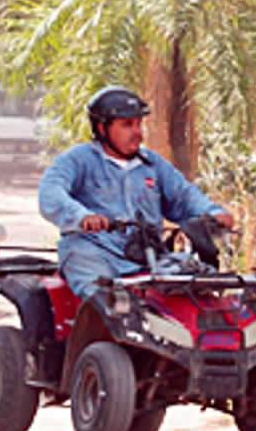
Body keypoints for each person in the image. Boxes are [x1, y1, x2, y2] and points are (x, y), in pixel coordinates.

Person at [38, 86, 232, 299]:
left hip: (149, 256)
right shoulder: (78, 159)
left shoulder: (153, 164)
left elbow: (184, 196)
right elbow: (51, 193)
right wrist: (82, 216)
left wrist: (213, 213)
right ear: (102, 128)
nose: (138, 132)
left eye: (139, 124)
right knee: (105, 300)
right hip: (93, 253)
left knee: (195, 287)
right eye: (127, 125)